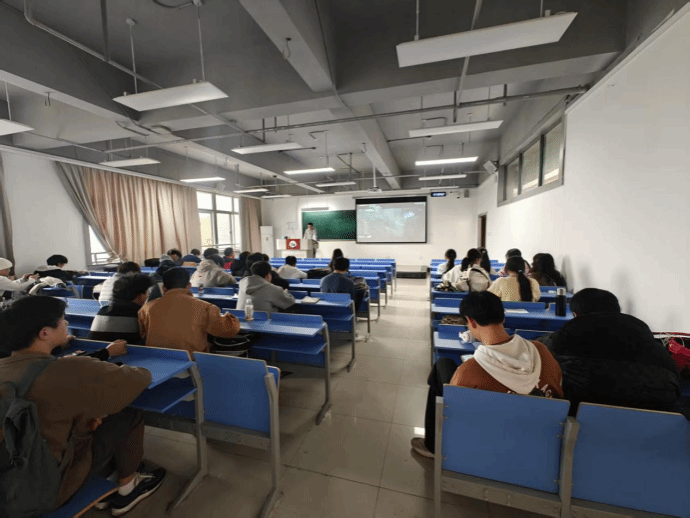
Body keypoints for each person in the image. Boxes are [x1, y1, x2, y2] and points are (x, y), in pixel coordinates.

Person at [0, 296, 165, 515]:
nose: (66, 323)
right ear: (44, 333)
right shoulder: (69, 369)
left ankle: (109, 475)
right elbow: (139, 378)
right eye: (62, 320)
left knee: (85, 418)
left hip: (7, 482)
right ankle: (128, 486)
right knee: (126, 415)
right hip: (44, 490)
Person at [410, 292, 564, 458]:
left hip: (488, 446)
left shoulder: (469, 371)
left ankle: (432, 447)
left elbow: (451, 414)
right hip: (544, 441)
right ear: (503, 318)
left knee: (442, 365)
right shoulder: (541, 352)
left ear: (471, 322)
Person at [543, 288, 680, 414]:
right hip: (658, 416)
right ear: (617, 311)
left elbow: (540, 353)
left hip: (580, 417)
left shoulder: (564, 337)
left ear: (575, 314)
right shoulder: (646, 337)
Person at [139, 267, 240, 354]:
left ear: (163, 288)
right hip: (191, 362)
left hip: (155, 360)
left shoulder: (147, 308)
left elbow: (143, 334)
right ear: (189, 285)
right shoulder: (205, 308)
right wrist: (230, 317)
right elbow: (228, 330)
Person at [90, 273, 152, 344]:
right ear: (140, 296)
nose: (148, 295)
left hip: (95, 350)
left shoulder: (102, 311)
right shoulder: (139, 314)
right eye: (147, 292)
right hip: (127, 350)